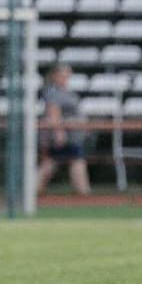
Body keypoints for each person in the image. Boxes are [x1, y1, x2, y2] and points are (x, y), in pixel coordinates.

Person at [35, 64, 90, 195]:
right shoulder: (54, 91)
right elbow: (53, 113)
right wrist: (59, 133)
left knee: (56, 162)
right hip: (63, 135)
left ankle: (83, 192)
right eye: (63, 75)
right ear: (54, 76)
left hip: (72, 135)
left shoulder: (65, 91)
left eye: (68, 75)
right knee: (57, 162)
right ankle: (84, 193)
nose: (66, 77)